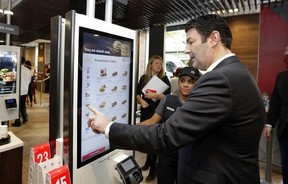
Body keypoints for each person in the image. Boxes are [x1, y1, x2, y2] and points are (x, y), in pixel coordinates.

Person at [87, 14, 265, 183]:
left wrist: (109, 127)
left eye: (190, 42)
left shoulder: (220, 79)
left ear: (213, 39)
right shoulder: (237, 72)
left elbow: (166, 135)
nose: (187, 49)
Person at [139, 66, 200, 184]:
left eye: (191, 82)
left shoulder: (199, 104)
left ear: (197, 84)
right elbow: (152, 121)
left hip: (189, 158)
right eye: (182, 81)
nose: (186, 85)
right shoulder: (168, 100)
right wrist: (130, 128)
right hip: (167, 156)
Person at [136, 55, 171, 181]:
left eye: (160, 64)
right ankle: (148, 162)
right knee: (146, 137)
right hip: (146, 111)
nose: (159, 66)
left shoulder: (165, 79)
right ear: (150, 65)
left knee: (154, 139)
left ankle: (153, 169)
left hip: (157, 113)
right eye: (156, 63)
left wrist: (155, 95)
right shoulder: (144, 78)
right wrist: (141, 101)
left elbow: (167, 97)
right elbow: (137, 94)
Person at [263, 46, 288, 184]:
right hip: (285, 131)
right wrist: (269, 123)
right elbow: (275, 103)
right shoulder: (282, 77)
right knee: (286, 167)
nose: (285, 52)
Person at [12, 57, 32, 127]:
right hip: (25, 90)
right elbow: (29, 81)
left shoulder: (16, 70)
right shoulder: (28, 70)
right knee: (23, 105)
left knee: (17, 105)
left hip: (17, 90)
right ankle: (25, 118)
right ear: (24, 62)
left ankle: (17, 121)